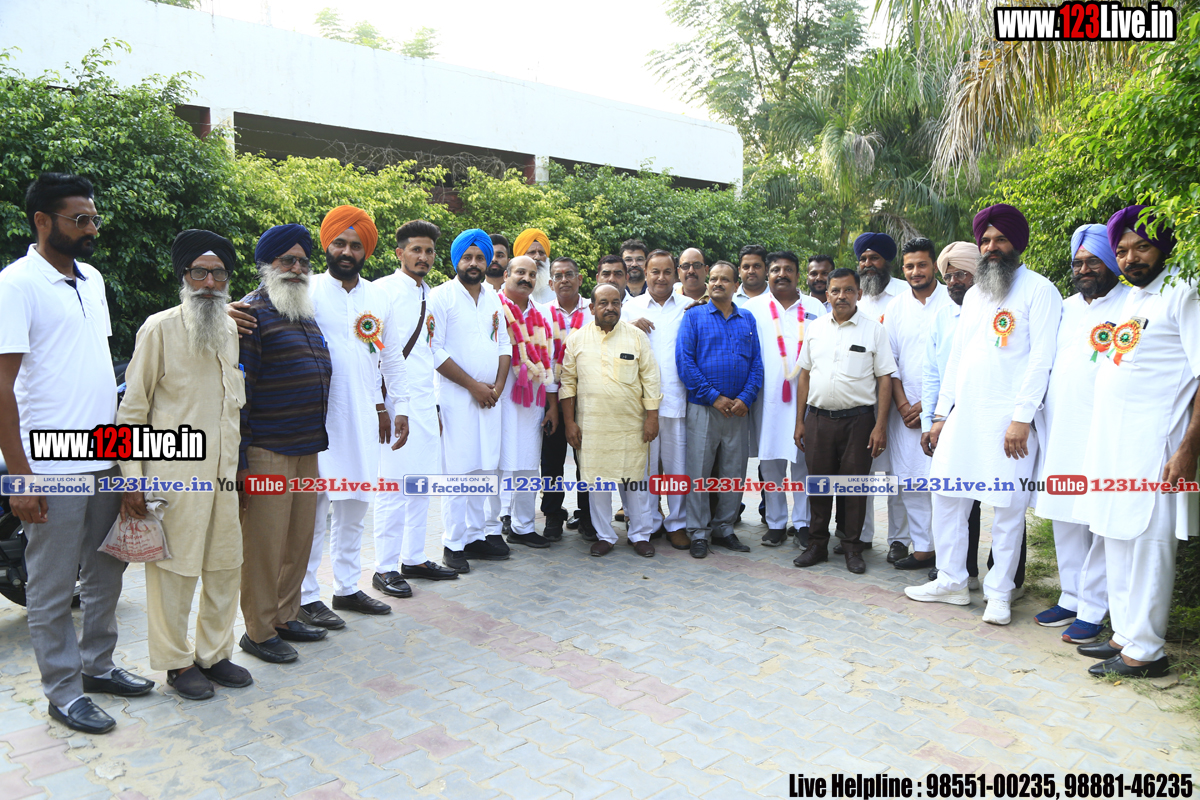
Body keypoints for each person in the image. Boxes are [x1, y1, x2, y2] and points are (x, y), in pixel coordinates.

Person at [0, 173, 153, 734]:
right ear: (42, 221)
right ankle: (63, 693)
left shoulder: (93, 280)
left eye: (93, 218)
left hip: (105, 454)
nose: (91, 228)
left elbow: (95, 370)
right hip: (50, 464)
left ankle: (98, 666)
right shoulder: (16, 285)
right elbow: (2, 387)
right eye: (79, 219)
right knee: (52, 584)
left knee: (108, 569)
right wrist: (21, 478)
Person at [907, 204, 1062, 625]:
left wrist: (1022, 418)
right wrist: (941, 415)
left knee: (1007, 507)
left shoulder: (1040, 290)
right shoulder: (975, 294)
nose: (992, 247)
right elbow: (957, 358)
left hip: (1009, 422)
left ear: (1017, 243)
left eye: (1000, 239)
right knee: (946, 493)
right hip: (965, 417)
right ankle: (952, 581)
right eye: (986, 240)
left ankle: (999, 593)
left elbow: (1042, 359)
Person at [116, 230, 251, 701]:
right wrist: (131, 481)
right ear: (184, 276)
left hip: (223, 478)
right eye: (200, 272)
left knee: (225, 567)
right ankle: (176, 663)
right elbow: (132, 412)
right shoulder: (158, 329)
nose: (209, 283)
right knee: (173, 575)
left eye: (218, 273)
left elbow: (230, 406)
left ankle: (214, 654)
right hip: (173, 478)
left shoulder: (229, 331)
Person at [1075, 207, 1200, 678]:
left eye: (1142, 247)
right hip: (1114, 444)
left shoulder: (1184, 291)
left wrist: (1188, 449)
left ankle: (1147, 652)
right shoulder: (1132, 297)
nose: (1131, 258)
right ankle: (1125, 635)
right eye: (1123, 250)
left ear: (1162, 247)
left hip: (1156, 446)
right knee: (1116, 535)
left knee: (1149, 542)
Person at [299, 206, 410, 629]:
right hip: (317, 417)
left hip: (362, 415)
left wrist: (398, 408)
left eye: (356, 246)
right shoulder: (306, 289)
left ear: (367, 251)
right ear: (326, 245)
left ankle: (346, 588)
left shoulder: (379, 297)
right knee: (314, 511)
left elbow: (391, 358)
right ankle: (306, 595)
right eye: (340, 243)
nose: (347, 252)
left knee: (355, 506)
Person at [236, 223, 333, 663]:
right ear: (267, 265)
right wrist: (241, 461)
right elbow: (241, 392)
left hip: (306, 446)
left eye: (303, 262)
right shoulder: (251, 314)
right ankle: (258, 631)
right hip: (267, 450)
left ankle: (285, 616)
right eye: (287, 260)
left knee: (298, 541)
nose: (297, 268)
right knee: (264, 546)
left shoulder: (304, 314)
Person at [1032, 224, 1126, 644]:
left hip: (1104, 429)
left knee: (1098, 518)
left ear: (1112, 263)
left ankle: (1093, 607)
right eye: (1078, 263)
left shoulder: (1130, 304)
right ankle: (1070, 596)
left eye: (1093, 261)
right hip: (1061, 427)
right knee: (1065, 515)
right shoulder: (1065, 307)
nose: (1084, 269)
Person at [373, 220, 461, 599]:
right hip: (395, 404)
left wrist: (433, 405)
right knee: (393, 486)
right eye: (416, 250)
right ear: (400, 253)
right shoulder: (382, 291)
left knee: (421, 484)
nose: (423, 257)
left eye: (429, 251)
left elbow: (427, 352)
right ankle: (384, 567)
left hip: (425, 402)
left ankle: (413, 558)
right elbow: (374, 354)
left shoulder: (429, 294)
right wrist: (381, 405)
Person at [792, 268, 896, 573]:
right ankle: (817, 545)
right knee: (819, 486)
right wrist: (800, 422)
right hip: (818, 420)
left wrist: (880, 426)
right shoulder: (815, 328)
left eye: (848, 290)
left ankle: (852, 548)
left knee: (854, 488)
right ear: (827, 295)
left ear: (859, 294)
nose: (841, 296)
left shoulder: (874, 331)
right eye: (835, 291)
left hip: (858, 422)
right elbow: (804, 375)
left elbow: (885, 379)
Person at [430, 230, 512, 573]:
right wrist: (474, 386)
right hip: (456, 398)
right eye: (468, 257)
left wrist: (497, 386)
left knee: (484, 467)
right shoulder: (440, 296)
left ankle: (476, 537)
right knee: (458, 471)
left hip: (490, 399)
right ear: (456, 261)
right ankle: (453, 543)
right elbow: (435, 350)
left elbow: (504, 343)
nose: (474, 263)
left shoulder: (493, 297)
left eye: (480, 257)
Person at [560, 284, 662, 556]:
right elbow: (567, 384)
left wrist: (652, 417)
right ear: (592, 307)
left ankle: (640, 534)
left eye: (615, 302)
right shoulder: (577, 340)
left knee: (635, 482)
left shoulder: (636, 337)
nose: (610, 308)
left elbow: (651, 379)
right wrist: (570, 423)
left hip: (631, 426)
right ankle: (605, 535)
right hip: (592, 428)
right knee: (597, 483)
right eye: (603, 302)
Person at [677, 262, 763, 558]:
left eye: (724, 279)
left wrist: (746, 398)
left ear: (736, 286)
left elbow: (757, 363)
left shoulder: (747, 318)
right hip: (704, 407)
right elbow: (685, 362)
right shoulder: (694, 317)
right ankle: (698, 533)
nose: (717, 283)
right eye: (713, 278)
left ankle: (724, 528)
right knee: (699, 472)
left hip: (738, 411)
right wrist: (714, 397)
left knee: (733, 472)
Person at [744, 251, 821, 548]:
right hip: (767, 399)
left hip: (807, 398)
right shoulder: (753, 308)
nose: (782, 274)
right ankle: (775, 522)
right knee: (770, 462)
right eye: (776, 269)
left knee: (804, 463)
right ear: (768, 275)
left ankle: (803, 523)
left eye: (788, 269)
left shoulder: (815, 307)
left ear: (798, 275)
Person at [884, 238, 950, 571]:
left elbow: (956, 360)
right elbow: (889, 361)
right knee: (910, 480)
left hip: (944, 410)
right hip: (904, 411)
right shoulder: (896, 307)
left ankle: (949, 554)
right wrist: (902, 405)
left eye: (922, 264)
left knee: (943, 483)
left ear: (934, 265)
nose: (915, 271)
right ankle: (924, 549)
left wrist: (927, 406)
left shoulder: (953, 301)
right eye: (909, 266)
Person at [623, 250, 690, 549]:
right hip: (641, 405)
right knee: (645, 468)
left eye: (667, 272)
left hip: (677, 400)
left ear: (675, 274)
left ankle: (677, 523)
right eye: (655, 272)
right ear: (645, 274)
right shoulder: (628, 309)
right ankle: (647, 522)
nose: (661, 278)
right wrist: (627, 328)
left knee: (677, 468)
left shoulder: (689, 307)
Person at [850, 232, 910, 564]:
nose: (868, 264)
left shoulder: (904, 294)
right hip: (859, 400)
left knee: (896, 474)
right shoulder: (854, 297)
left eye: (874, 258)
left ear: (887, 261)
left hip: (899, 399)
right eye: (863, 259)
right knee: (862, 471)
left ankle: (899, 539)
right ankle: (860, 535)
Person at [490, 255, 557, 548]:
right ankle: (490, 530)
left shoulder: (542, 314)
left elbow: (549, 360)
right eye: (520, 272)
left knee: (528, 463)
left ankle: (523, 527)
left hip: (532, 400)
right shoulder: (491, 307)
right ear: (506, 275)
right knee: (495, 464)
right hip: (498, 397)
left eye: (532, 274)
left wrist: (552, 405)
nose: (526, 279)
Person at [540, 257, 597, 541]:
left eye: (569, 274)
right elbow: (543, 359)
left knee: (587, 460)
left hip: (586, 399)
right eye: (558, 276)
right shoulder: (541, 313)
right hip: (551, 397)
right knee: (552, 461)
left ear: (580, 279)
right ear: (550, 282)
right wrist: (552, 405)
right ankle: (553, 515)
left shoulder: (594, 310)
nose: (564, 280)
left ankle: (588, 516)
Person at [512, 228, 555, 304]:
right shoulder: (509, 291)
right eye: (532, 252)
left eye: (541, 253)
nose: (537, 257)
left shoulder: (557, 289)